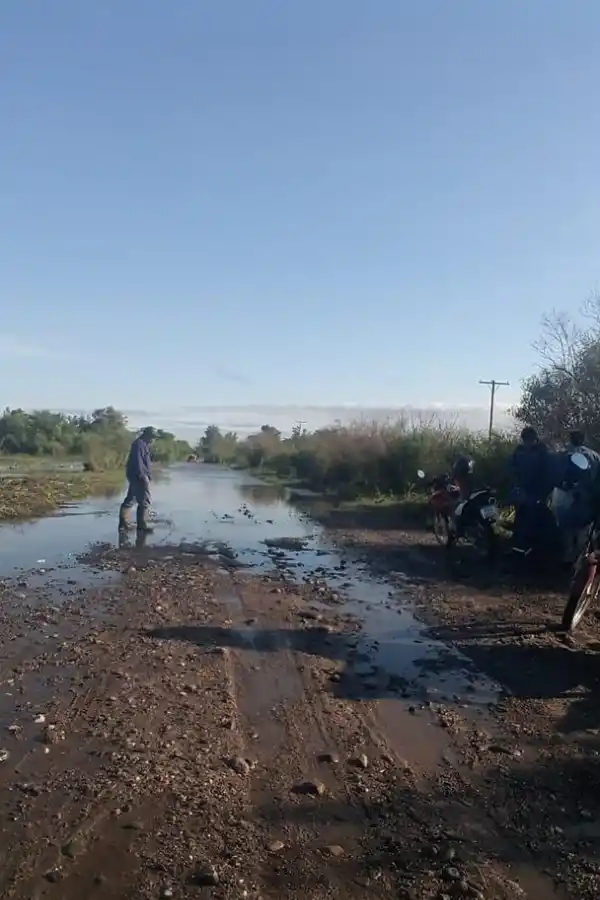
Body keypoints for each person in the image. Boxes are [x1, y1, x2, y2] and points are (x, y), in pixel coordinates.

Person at [509, 427, 553, 552]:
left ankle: (533, 546)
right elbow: (512, 468)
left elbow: (548, 472)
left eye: (529, 440)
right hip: (522, 490)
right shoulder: (520, 451)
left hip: (537, 492)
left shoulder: (542, 451)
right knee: (519, 516)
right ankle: (519, 544)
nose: (527, 443)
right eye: (525, 440)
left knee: (535, 518)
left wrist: (545, 491)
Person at [118, 427, 156, 533]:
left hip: (137, 475)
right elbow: (138, 461)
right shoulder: (139, 444)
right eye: (153, 437)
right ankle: (142, 525)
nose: (154, 440)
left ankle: (123, 523)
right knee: (144, 500)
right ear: (148, 436)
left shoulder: (143, 444)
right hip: (138, 476)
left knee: (131, 498)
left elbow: (145, 463)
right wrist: (143, 477)